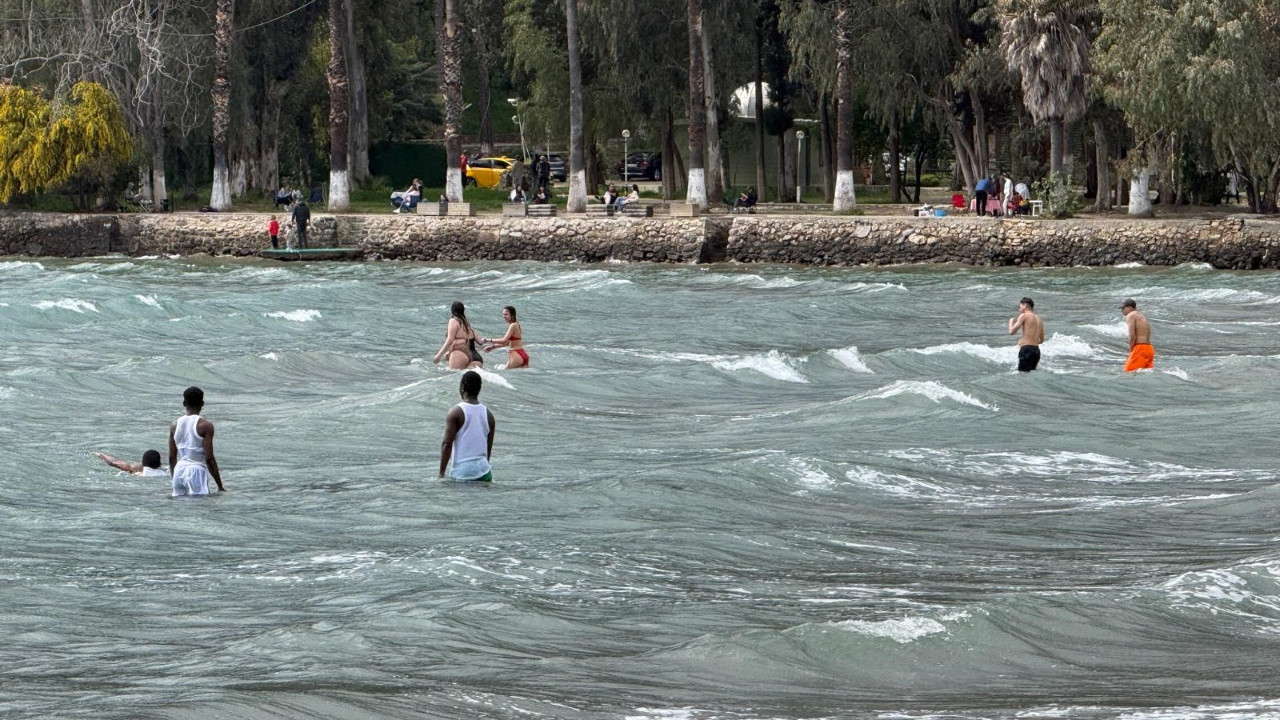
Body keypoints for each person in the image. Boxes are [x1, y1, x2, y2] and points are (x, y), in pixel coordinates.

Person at [439, 370, 495, 482]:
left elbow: (447, 444)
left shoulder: (455, 412)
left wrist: (441, 473)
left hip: (463, 473)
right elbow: (488, 448)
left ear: (462, 387)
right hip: (484, 471)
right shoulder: (489, 415)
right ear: (479, 389)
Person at [169, 386, 224, 496]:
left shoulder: (174, 425)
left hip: (179, 470)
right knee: (201, 508)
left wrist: (174, 477)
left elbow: (172, 457)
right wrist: (220, 485)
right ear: (202, 403)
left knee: (180, 508)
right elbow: (209, 459)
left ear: (184, 403)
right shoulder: (205, 425)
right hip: (196, 470)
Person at [433, 301, 483, 370]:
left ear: (452, 311)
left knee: (454, 375)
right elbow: (480, 342)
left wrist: (438, 356)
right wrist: (489, 340)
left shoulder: (453, 320)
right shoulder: (467, 323)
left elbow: (450, 340)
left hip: (460, 352)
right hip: (476, 357)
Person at [1007, 296, 1044, 372]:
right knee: (1031, 375)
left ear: (1025, 305)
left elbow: (1011, 332)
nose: (1019, 309)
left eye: (1020, 306)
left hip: (1026, 350)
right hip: (1036, 351)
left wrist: (1010, 322)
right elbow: (1041, 340)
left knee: (1022, 375)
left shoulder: (1024, 315)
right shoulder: (1038, 318)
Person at [1120, 298, 1154, 371]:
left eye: (1123, 308)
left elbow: (1132, 336)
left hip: (1140, 349)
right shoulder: (1141, 315)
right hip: (1149, 349)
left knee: (1128, 372)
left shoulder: (1130, 315)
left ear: (1129, 307)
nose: (1122, 310)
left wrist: (1131, 351)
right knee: (1145, 374)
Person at [94, 449, 168, 477]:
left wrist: (101, 455)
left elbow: (113, 462)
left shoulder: (141, 473)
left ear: (143, 463)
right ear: (159, 463)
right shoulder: (166, 473)